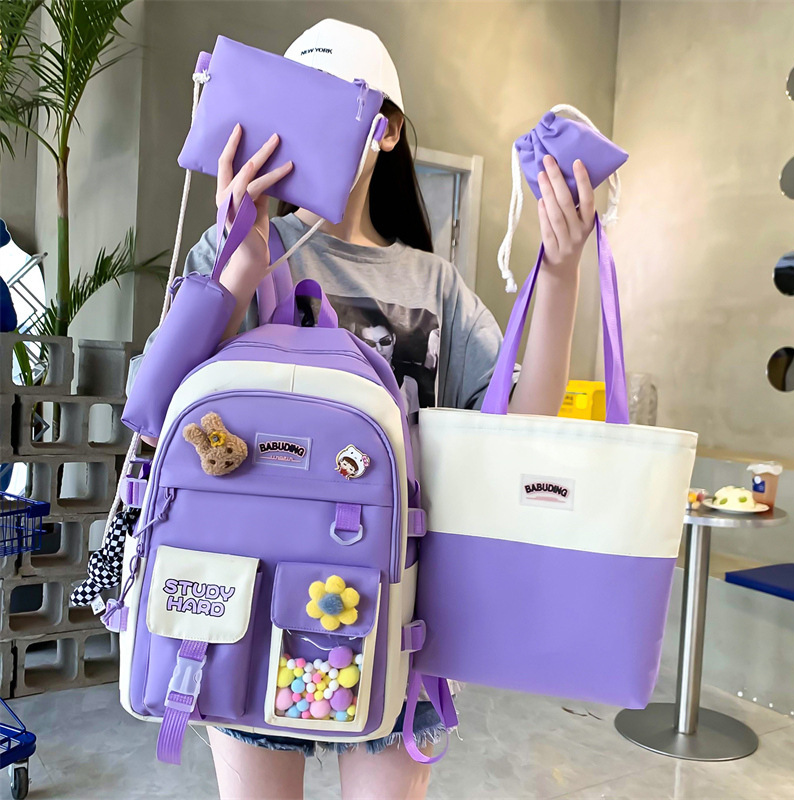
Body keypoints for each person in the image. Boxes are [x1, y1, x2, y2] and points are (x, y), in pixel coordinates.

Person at [133, 17, 597, 800]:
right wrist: (241, 265)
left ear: (385, 129)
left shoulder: (436, 285)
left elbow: (517, 429)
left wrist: (559, 275)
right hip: (252, 598)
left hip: (398, 616)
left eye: (329, 101)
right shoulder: (234, 247)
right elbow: (154, 412)